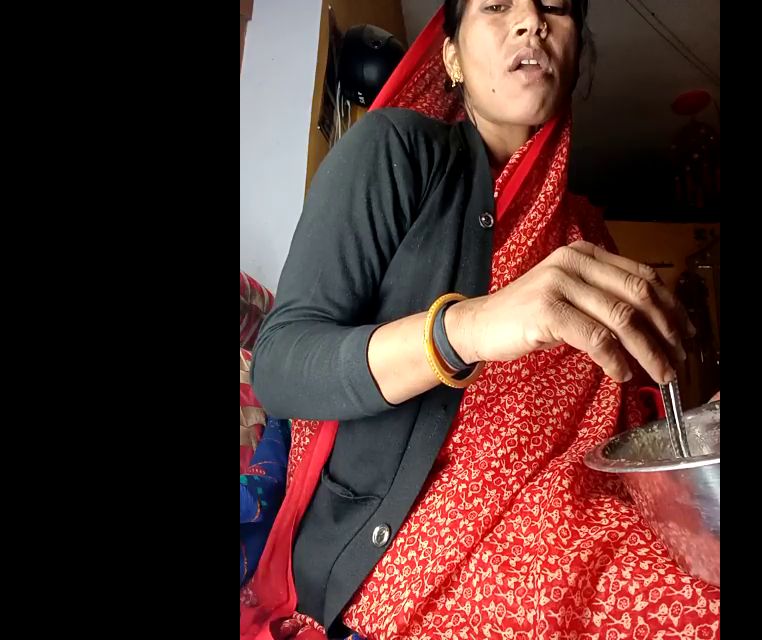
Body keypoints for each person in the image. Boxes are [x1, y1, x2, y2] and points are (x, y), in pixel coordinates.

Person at [243, 2, 720, 638]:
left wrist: (694, 431)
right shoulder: (396, 149)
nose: (532, 22)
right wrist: (464, 329)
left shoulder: (583, 231)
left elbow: (609, 419)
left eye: (555, 7)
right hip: (417, 540)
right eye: (497, 5)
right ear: (451, 58)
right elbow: (281, 365)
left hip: (584, 506)